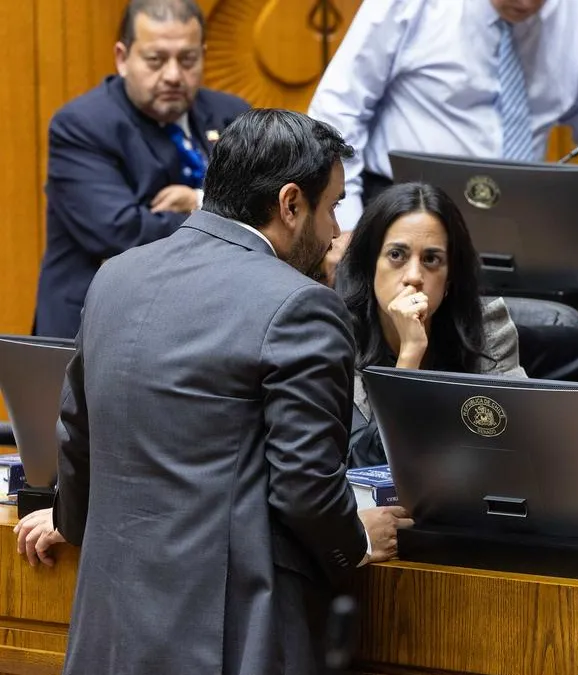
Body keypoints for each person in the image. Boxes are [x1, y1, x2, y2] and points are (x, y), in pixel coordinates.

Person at [31, 109, 407, 675]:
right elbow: (305, 488)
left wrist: (76, 524)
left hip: (106, 630)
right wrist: (353, 541)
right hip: (229, 637)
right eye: (331, 207)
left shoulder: (115, 277)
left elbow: (77, 437)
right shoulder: (301, 306)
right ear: (290, 204)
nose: (334, 233)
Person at [307, 0, 578, 230]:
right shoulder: (412, 6)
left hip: (518, 215)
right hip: (409, 211)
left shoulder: (571, 10)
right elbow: (339, 111)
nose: (526, 3)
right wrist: (348, 223)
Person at [33, 0, 250, 339]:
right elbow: (125, 233)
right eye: (156, 60)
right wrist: (233, 220)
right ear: (122, 58)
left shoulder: (232, 114)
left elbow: (267, 205)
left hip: (206, 325)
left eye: (188, 59)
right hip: (97, 330)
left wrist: (197, 199)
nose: (174, 75)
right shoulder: (83, 126)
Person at [335, 182, 527, 467]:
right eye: (396, 255)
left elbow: (517, 446)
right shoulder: (336, 335)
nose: (414, 276)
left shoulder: (487, 329)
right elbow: (366, 467)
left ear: (449, 279)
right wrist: (409, 356)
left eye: (431, 259)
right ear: (369, 266)